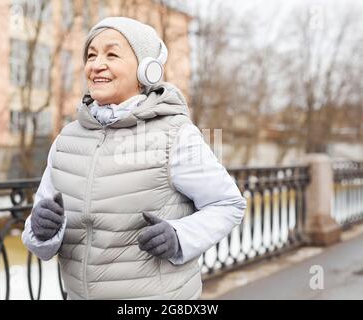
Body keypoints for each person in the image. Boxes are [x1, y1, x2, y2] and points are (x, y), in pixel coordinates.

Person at [22, 16, 246, 300]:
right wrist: (41, 230)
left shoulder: (174, 134)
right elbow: (41, 235)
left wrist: (179, 236)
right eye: (91, 55)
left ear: (146, 70)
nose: (96, 64)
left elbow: (227, 204)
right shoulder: (67, 139)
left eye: (111, 54)